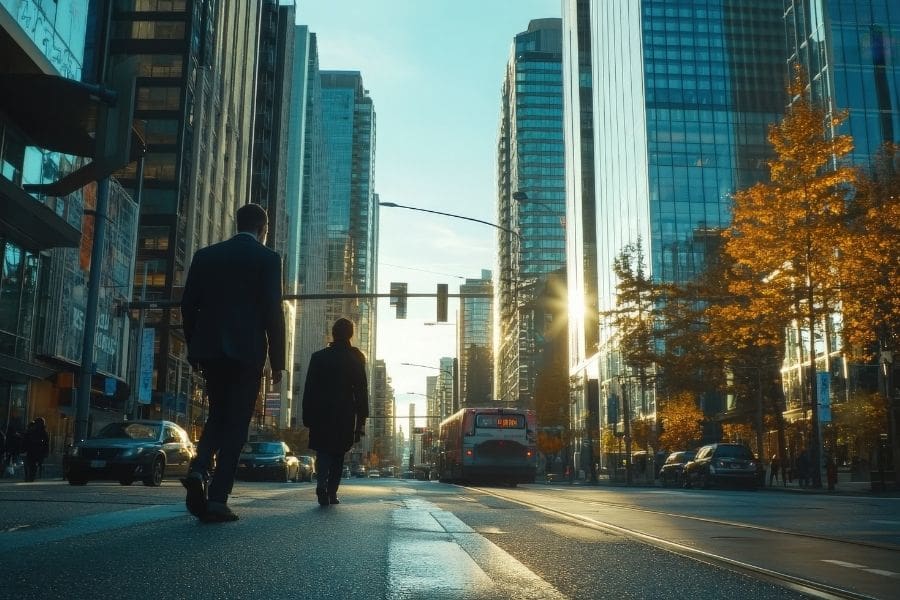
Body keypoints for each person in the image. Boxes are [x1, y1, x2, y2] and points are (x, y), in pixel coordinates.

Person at [180, 203, 286, 523]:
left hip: (211, 352)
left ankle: (199, 469)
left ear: (235, 223)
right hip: (247, 354)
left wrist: (195, 347)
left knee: (217, 416)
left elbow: (188, 306)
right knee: (237, 423)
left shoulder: (205, 255)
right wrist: (277, 362)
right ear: (263, 230)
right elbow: (272, 312)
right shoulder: (268, 259)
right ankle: (217, 499)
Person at [302, 318, 369, 507]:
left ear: (333, 333)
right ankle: (331, 492)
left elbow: (309, 389)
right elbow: (361, 391)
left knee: (322, 451)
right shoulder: (356, 358)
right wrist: (361, 422)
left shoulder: (318, 357)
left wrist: (307, 415)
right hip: (345, 413)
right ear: (351, 334)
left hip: (320, 413)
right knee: (339, 454)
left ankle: (321, 484)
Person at [23, 418, 49, 482]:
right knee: (31, 464)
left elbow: (46, 443)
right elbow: (26, 440)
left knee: (32, 464)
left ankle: (30, 476)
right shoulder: (33, 431)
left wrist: (45, 452)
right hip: (33, 451)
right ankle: (30, 476)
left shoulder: (42, 432)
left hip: (36, 451)